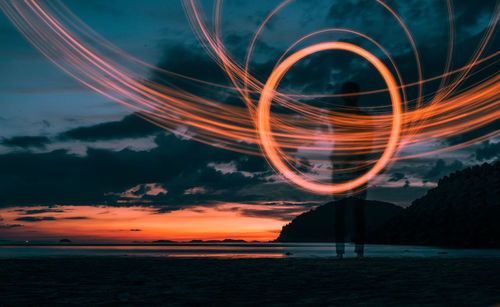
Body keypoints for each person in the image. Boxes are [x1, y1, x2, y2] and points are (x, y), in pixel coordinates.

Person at [331, 81, 373, 259]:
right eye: (346, 92)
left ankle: (358, 250)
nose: (348, 96)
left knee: (357, 210)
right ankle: (342, 250)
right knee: (341, 210)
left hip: (355, 167)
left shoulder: (364, 117)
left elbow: (367, 144)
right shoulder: (334, 114)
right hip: (342, 167)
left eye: (351, 92)